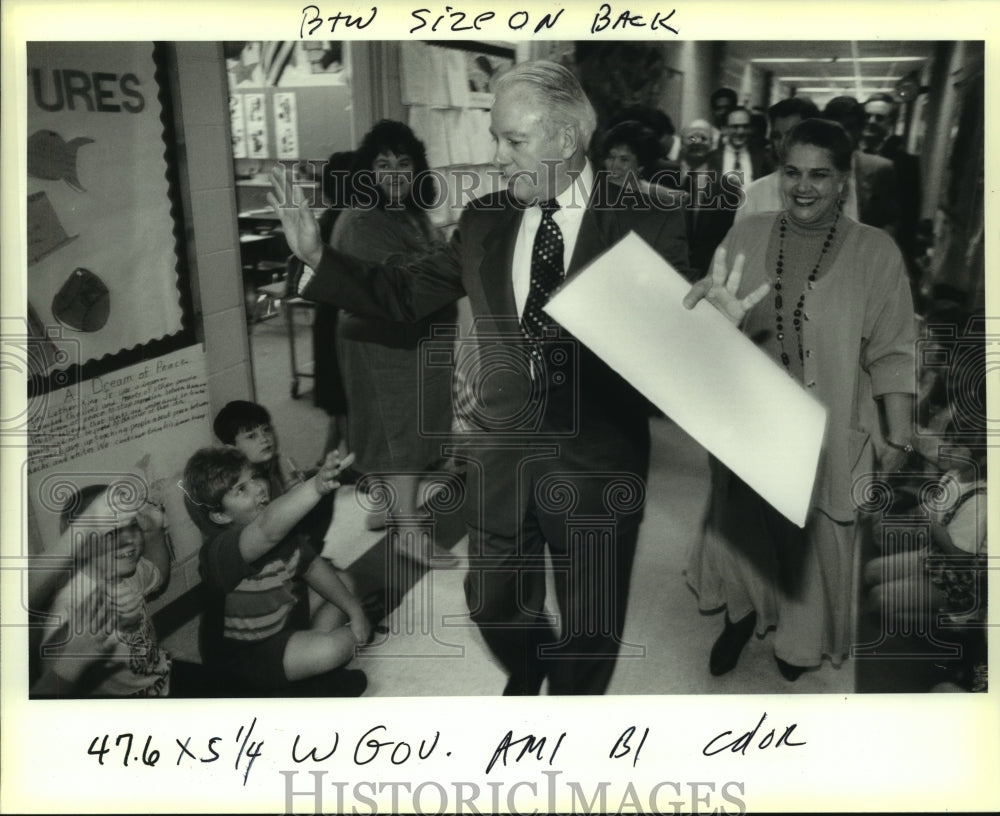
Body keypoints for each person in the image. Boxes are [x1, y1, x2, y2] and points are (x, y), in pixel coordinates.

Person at [269, 60, 690, 695]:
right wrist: (320, 259)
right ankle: (528, 667)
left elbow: (676, 345)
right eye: (497, 137)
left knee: (589, 623)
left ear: (566, 139)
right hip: (499, 453)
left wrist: (716, 330)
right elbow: (404, 291)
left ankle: (568, 718)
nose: (497, 157)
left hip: (596, 459)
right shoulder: (488, 218)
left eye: (512, 141)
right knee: (492, 602)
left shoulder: (651, 217)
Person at [683, 118, 916, 681]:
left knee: (815, 539)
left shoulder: (875, 252)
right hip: (751, 421)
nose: (803, 186)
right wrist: (705, 321)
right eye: (792, 172)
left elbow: (894, 349)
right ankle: (740, 617)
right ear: (777, 172)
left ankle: (799, 640)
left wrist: (899, 431)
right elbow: (706, 331)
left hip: (829, 425)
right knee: (744, 526)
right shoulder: (747, 234)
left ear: (843, 181)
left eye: (820, 174)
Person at [330, 120, 457, 566]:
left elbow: (431, 267)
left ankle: (386, 508)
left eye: (404, 164)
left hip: (410, 341)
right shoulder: (365, 220)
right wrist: (451, 259)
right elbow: (406, 285)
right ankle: (409, 532)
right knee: (401, 433)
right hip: (386, 344)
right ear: (366, 172)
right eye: (382, 165)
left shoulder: (407, 212)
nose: (394, 174)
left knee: (397, 428)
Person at [181, 446, 370, 695]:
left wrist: (355, 611)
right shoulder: (219, 551)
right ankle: (305, 675)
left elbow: (312, 566)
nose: (259, 487)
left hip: (284, 619)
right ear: (219, 515)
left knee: (344, 583)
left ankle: (306, 671)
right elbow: (266, 529)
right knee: (335, 648)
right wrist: (315, 486)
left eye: (255, 477)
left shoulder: (282, 533)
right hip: (244, 658)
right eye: (241, 489)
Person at [32, 485, 172, 697]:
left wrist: (155, 533)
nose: (129, 539)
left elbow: (158, 575)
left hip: (159, 677)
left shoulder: (127, 570)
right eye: (112, 532)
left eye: (132, 526)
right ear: (81, 543)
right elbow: (53, 685)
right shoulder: (71, 600)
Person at [861, 92, 923, 282]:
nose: (871, 121)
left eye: (879, 118)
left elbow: (909, 218)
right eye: (867, 116)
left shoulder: (906, 164)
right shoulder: (847, 156)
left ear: (890, 123)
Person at [822, 96, 900, 237]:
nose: (841, 134)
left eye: (849, 127)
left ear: (859, 130)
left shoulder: (879, 169)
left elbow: (890, 221)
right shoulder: (807, 169)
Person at [735, 97, 822, 223]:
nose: (782, 144)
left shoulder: (829, 191)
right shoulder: (754, 194)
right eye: (777, 136)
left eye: (791, 135)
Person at [599, 119, 665, 190]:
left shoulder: (658, 196)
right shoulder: (592, 193)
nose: (615, 166)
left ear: (640, 166)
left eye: (624, 160)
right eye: (611, 157)